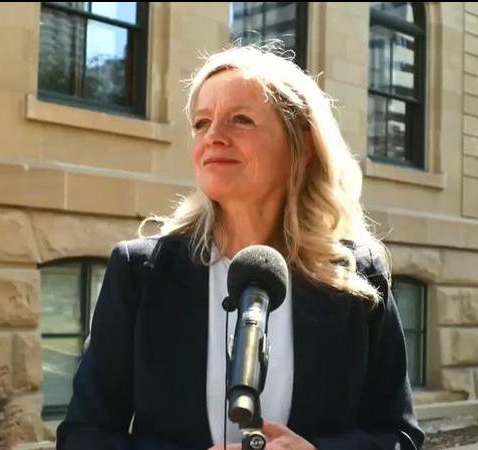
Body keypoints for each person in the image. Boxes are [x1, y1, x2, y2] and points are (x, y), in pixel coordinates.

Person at [56, 44, 425, 450]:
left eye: (241, 120)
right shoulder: (140, 271)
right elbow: (82, 436)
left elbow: (400, 436)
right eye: (201, 123)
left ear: (302, 144)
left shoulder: (357, 275)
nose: (213, 137)